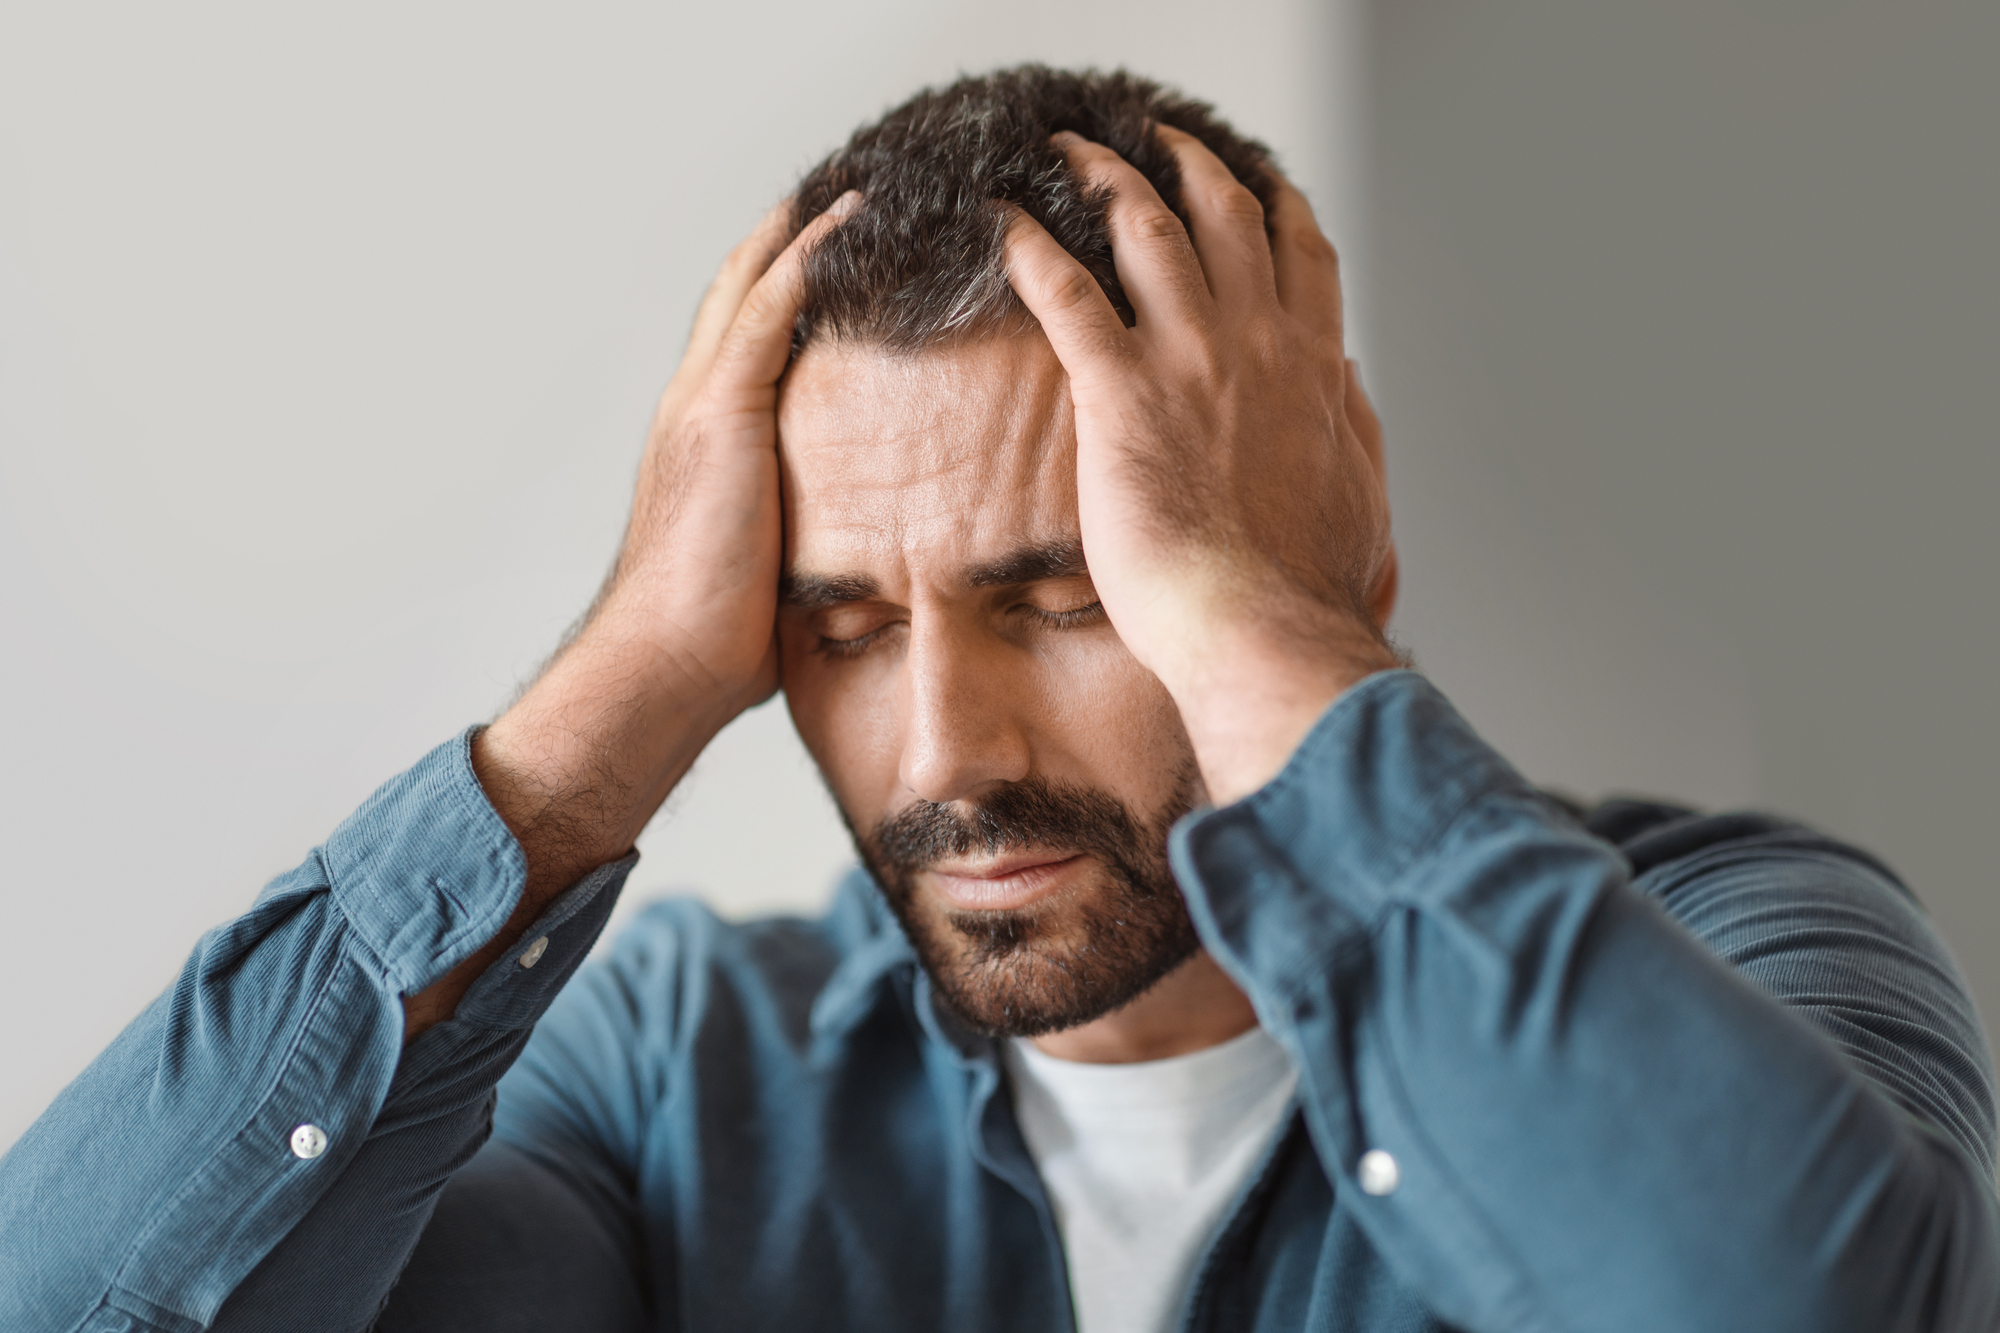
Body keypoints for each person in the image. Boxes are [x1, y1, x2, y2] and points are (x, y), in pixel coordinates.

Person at [1, 65, 1994, 1333]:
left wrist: (1251, 607)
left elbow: (1780, 1299)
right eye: (840, 626)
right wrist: (607, 697)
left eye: (1065, 593)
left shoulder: (1750, 941)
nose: (945, 755)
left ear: (1326, 543)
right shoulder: (685, 1082)